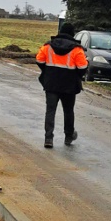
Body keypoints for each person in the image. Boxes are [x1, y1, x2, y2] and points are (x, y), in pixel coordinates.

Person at [36, 20, 88, 148]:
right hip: (69, 86)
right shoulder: (77, 49)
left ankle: (48, 138)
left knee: (50, 111)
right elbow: (82, 67)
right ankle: (68, 136)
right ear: (72, 34)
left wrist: (48, 72)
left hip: (51, 84)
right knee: (68, 111)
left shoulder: (48, 46)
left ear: (60, 32)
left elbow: (39, 60)